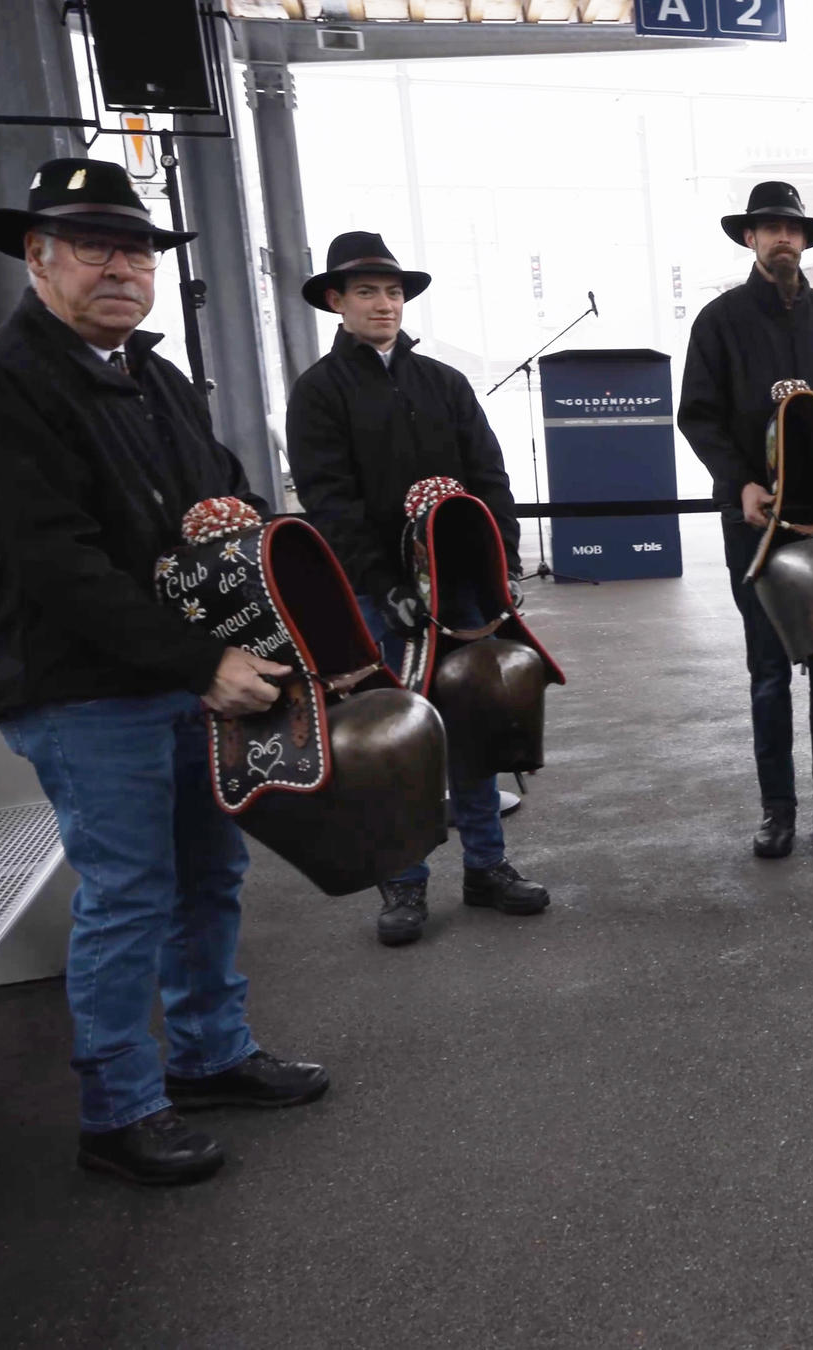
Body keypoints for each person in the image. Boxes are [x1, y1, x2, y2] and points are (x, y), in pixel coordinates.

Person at [0, 157, 327, 1185]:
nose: (122, 266)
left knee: (209, 874)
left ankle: (208, 1055)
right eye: (95, 246)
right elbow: (57, 562)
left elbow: (224, 492)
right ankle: (118, 1112)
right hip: (82, 688)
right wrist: (205, 662)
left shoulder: (151, 376)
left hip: (178, 676)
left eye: (137, 248)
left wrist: (246, 543)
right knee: (130, 891)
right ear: (39, 256)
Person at [286, 231, 551, 948]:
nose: (384, 303)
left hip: (464, 590)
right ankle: (402, 885)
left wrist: (503, 562)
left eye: (394, 291)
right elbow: (329, 501)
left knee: (473, 725)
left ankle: (487, 867)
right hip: (381, 596)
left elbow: (489, 475)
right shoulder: (318, 393)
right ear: (336, 301)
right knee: (394, 741)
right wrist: (380, 581)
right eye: (367, 291)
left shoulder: (445, 383)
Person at [680, 180, 813, 858]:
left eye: (791, 229)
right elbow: (699, 415)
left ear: (805, 239)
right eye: (769, 228)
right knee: (768, 672)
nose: (782, 239)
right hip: (755, 525)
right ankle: (778, 811)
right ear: (749, 237)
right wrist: (737, 482)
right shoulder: (719, 322)